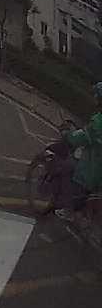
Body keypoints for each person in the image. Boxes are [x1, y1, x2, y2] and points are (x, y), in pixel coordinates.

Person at [53, 83, 102, 217]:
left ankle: (68, 212)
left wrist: (68, 135)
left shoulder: (98, 121)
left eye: (97, 96)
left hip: (94, 165)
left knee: (70, 171)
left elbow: (82, 137)